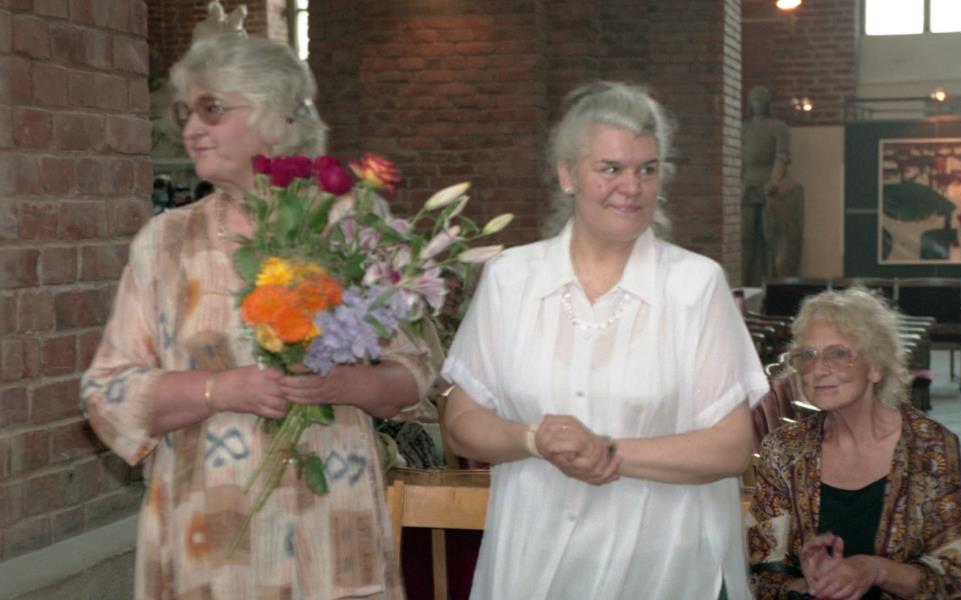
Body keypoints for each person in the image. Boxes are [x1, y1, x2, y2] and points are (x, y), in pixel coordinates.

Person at [80, 33, 435, 600]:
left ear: (274, 117)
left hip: (331, 536)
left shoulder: (353, 229)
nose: (192, 129)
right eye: (185, 113)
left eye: (212, 109)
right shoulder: (165, 244)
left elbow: (417, 375)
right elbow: (106, 393)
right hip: (208, 541)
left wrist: (346, 384)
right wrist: (221, 389)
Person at [441, 81, 769, 599]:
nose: (632, 187)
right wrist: (533, 440)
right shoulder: (510, 279)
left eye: (647, 169)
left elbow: (731, 448)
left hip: (662, 564)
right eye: (611, 169)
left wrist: (606, 451)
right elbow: (461, 423)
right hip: (533, 559)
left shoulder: (695, 285)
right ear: (567, 175)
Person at [747, 287, 961, 600]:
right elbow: (761, 576)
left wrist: (876, 570)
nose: (818, 370)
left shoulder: (929, 447)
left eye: (838, 353)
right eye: (807, 356)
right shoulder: (783, 450)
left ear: (875, 366)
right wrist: (812, 585)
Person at [742, 85, 802, 285]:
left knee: (771, 237)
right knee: (746, 236)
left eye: (761, 99)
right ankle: (743, 279)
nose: (758, 103)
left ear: (767, 103)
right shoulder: (744, 128)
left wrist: (774, 180)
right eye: (755, 99)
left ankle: (772, 280)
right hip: (747, 185)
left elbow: (781, 156)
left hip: (769, 186)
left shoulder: (778, 127)